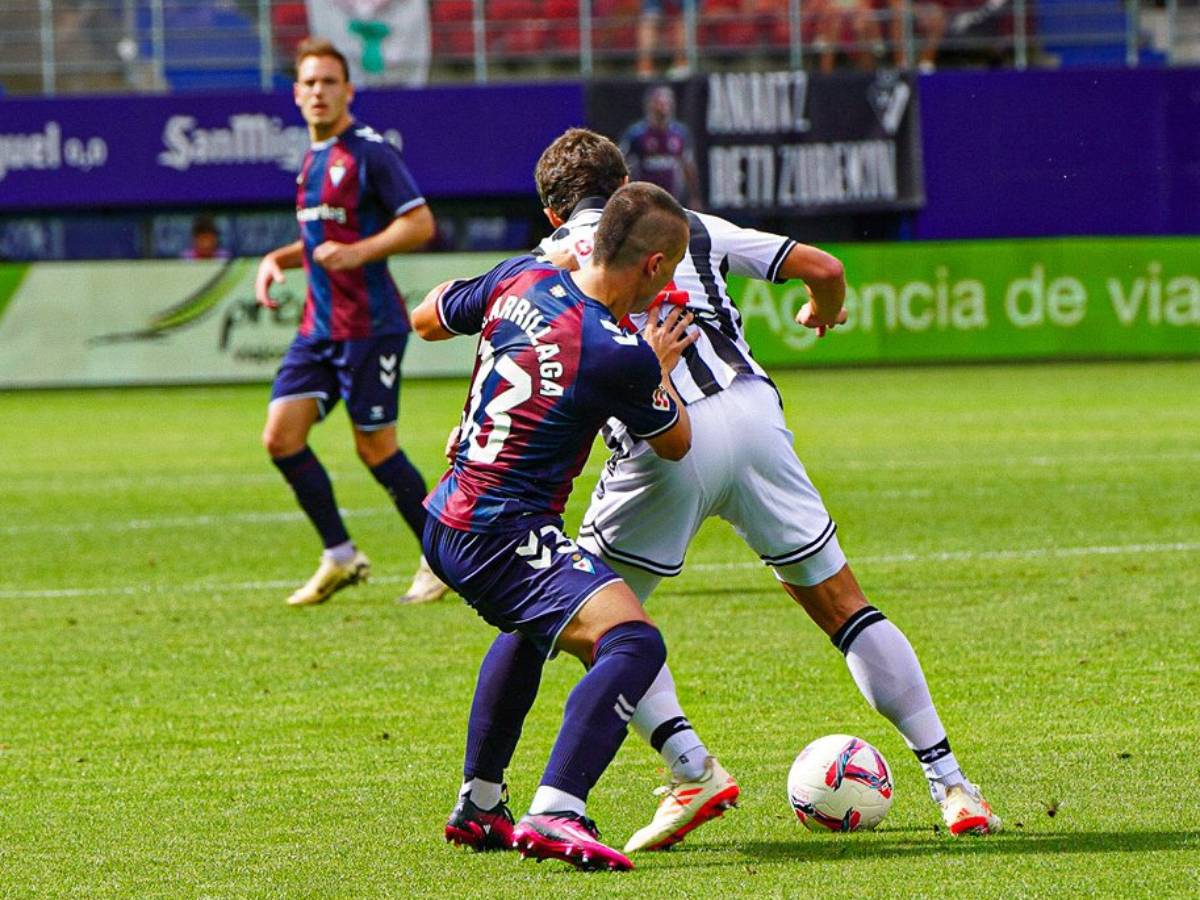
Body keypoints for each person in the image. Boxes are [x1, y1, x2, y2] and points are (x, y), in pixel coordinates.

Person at [455, 128, 1003, 853]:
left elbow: (462, 326)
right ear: (625, 190)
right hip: (753, 419)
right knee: (843, 605)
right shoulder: (689, 227)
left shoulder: (547, 262)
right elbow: (823, 267)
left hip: (665, 439)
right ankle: (952, 783)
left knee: (583, 623)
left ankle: (689, 769)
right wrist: (823, 308)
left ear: (554, 216)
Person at [410, 182, 696, 871]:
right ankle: (558, 808)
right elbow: (677, 442)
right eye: (675, 267)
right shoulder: (619, 350)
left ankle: (480, 805)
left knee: (531, 629)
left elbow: (427, 315)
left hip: (446, 513)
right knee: (632, 642)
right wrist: (656, 367)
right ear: (654, 267)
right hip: (500, 530)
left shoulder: (522, 275)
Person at [254, 37, 448, 607]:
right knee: (280, 436)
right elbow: (319, 241)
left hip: (370, 324)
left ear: (348, 91)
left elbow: (420, 223)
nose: (318, 92)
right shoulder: (313, 160)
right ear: (296, 94)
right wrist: (277, 260)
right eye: (309, 83)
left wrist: (359, 253)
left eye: (328, 82)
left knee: (376, 448)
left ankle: (440, 561)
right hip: (319, 327)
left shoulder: (368, 152)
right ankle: (340, 555)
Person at [619, 85, 702, 210]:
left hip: (672, 199)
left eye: (667, 102)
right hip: (645, 200)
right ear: (650, 105)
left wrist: (694, 197)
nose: (664, 106)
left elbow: (688, 166)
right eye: (659, 102)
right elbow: (621, 162)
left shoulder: (680, 134)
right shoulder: (636, 134)